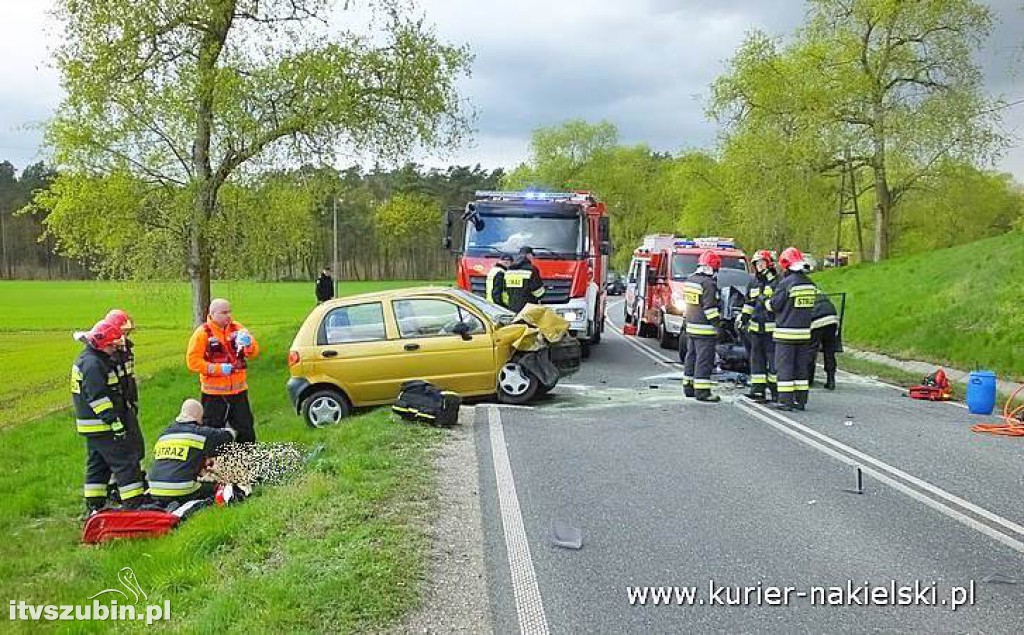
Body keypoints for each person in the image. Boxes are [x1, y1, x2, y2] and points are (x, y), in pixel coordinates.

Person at [73, 320, 147, 513]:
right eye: (111, 346)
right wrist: (114, 421)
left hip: (92, 426)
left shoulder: (93, 359)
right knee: (125, 461)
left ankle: (94, 505)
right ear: (99, 343)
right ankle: (135, 504)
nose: (114, 350)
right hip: (103, 424)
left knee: (98, 465)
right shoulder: (93, 364)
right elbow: (98, 398)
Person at [186, 298, 260, 442]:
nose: (229, 316)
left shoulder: (238, 329)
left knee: (246, 430)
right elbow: (193, 362)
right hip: (214, 394)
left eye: (230, 312)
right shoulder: (202, 334)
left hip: (238, 391)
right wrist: (218, 369)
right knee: (212, 431)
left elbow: (253, 353)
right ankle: (213, 462)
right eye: (224, 312)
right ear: (212, 314)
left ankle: (246, 461)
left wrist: (249, 344)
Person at [148, 399, 237, 504]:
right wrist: (232, 430)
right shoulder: (198, 433)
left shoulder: (164, 435)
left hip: (155, 490)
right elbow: (227, 437)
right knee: (217, 486)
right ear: (198, 416)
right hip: (180, 489)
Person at [770, 247, 818, 411]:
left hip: (786, 334)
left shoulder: (786, 284)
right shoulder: (810, 284)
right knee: (800, 368)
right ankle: (801, 400)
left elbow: (775, 305)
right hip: (804, 333)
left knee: (785, 367)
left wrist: (765, 302)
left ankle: (785, 401)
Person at [682, 250, 722, 402]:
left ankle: (688, 387)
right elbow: (710, 309)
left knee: (691, 357)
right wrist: (718, 326)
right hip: (704, 330)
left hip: (691, 327)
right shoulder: (708, 284)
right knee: (704, 360)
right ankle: (703, 392)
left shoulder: (691, 280)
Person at [741, 250, 779, 403]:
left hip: (772, 330)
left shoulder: (777, 282)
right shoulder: (753, 283)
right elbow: (749, 303)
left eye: (761, 263)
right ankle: (758, 390)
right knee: (756, 360)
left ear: (769, 264)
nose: (759, 266)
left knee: (774, 362)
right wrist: (744, 317)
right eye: (756, 264)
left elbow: (778, 305)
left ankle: (776, 391)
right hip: (756, 329)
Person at [808, 292, 841, 390]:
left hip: (817, 321)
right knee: (829, 351)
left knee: (811, 350)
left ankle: (808, 379)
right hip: (832, 320)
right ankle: (831, 380)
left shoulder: (804, 294)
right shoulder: (820, 293)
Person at [503, 246, 546, 313]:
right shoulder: (531, 269)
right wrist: (542, 294)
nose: (532, 258)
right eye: (532, 256)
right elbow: (538, 291)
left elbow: (505, 290)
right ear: (528, 255)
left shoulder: (509, 269)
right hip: (528, 308)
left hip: (512, 307)